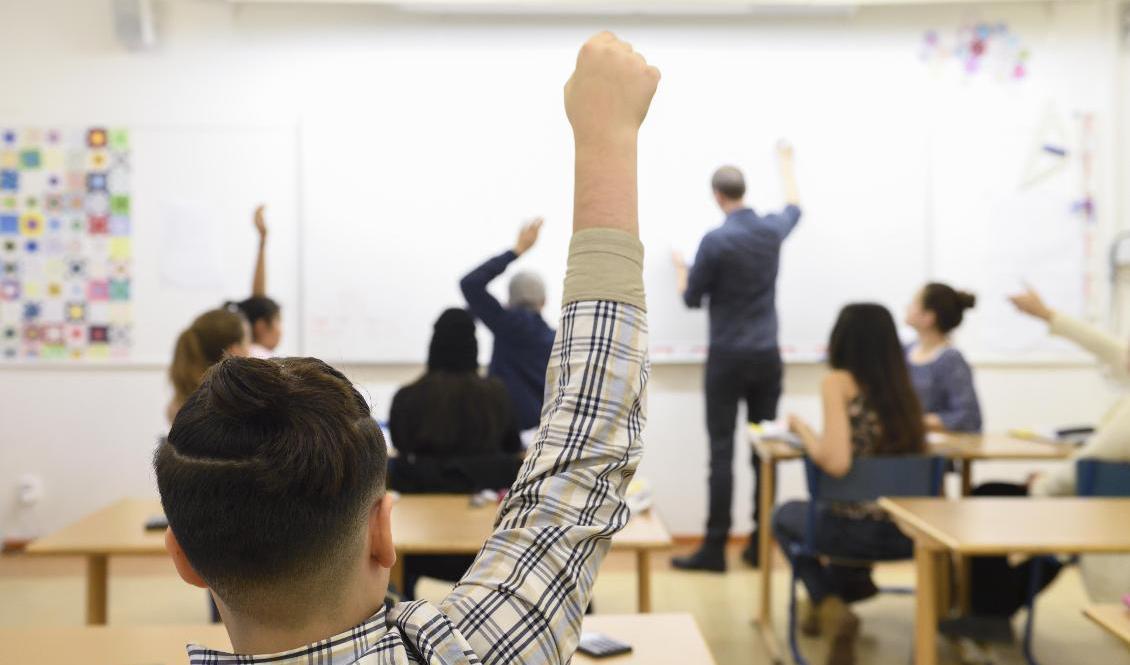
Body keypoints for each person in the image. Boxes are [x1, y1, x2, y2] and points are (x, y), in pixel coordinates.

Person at [154, 32, 658, 664]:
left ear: (183, 556)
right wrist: (606, 137)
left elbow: (581, 436)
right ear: (381, 531)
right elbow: (588, 436)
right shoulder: (475, 654)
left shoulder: (475, 350)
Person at [938, 288, 1130, 647]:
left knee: (987, 505)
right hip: (1091, 506)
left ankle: (990, 613)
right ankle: (991, 612)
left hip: (1093, 515)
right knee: (990, 496)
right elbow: (1111, 349)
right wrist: (1048, 315)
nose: (1123, 351)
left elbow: (1089, 463)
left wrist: (1041, 486)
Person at [671, 143, 802, 572]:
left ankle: (714, 549)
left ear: (717, 196)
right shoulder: (769, 230)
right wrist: (786, 165)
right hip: (766, 356)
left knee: (722, 453)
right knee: (764, 451)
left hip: (727, 358)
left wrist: (680, 270)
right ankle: (759, 545)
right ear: (743, 191)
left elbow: (692, 299)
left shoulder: (715, 241)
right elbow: (795, 208)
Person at [773, 304, 926, 665]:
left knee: (782, 517)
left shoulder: (838, 382)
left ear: (841, 340)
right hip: (906, 532)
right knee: (825, 520)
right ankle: (838, 597)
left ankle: (829, 604)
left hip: (851, 531)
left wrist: (805, 432)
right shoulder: (904, 387)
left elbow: (837, 462)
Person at [388, 308, 522, 599]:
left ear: (433, 344)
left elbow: (399, 446)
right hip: (488, 543)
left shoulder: (408, 396)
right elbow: (512, 448)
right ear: (474, 346)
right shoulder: (496, 394)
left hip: (415, 544)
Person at [459, 218, 555, 432]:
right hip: (542, 435)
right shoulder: (558, 339)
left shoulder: (504, 323)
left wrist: (517, 250)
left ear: (509, 300)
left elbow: (470, 283)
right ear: (544, 301)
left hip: (500, 431)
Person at [904, 282, 982, 433]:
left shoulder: (950, 360)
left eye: (914, 303)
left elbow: (968, 418)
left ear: (928, 317)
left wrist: (916, 421)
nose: (907, 307)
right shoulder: (903, 351)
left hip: (934, 448)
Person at [166, 307, 249, 423]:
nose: (250, 351)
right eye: (247, 343)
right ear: (234, 351)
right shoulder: (240, 408)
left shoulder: (179, 405)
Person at [233, 205, 283, 359]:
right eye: (278, 322)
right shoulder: (263, 360)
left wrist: (262, 241)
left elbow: (258, 300)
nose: (281, 330)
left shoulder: (243, 355)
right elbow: (259, 300)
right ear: (261, 326)